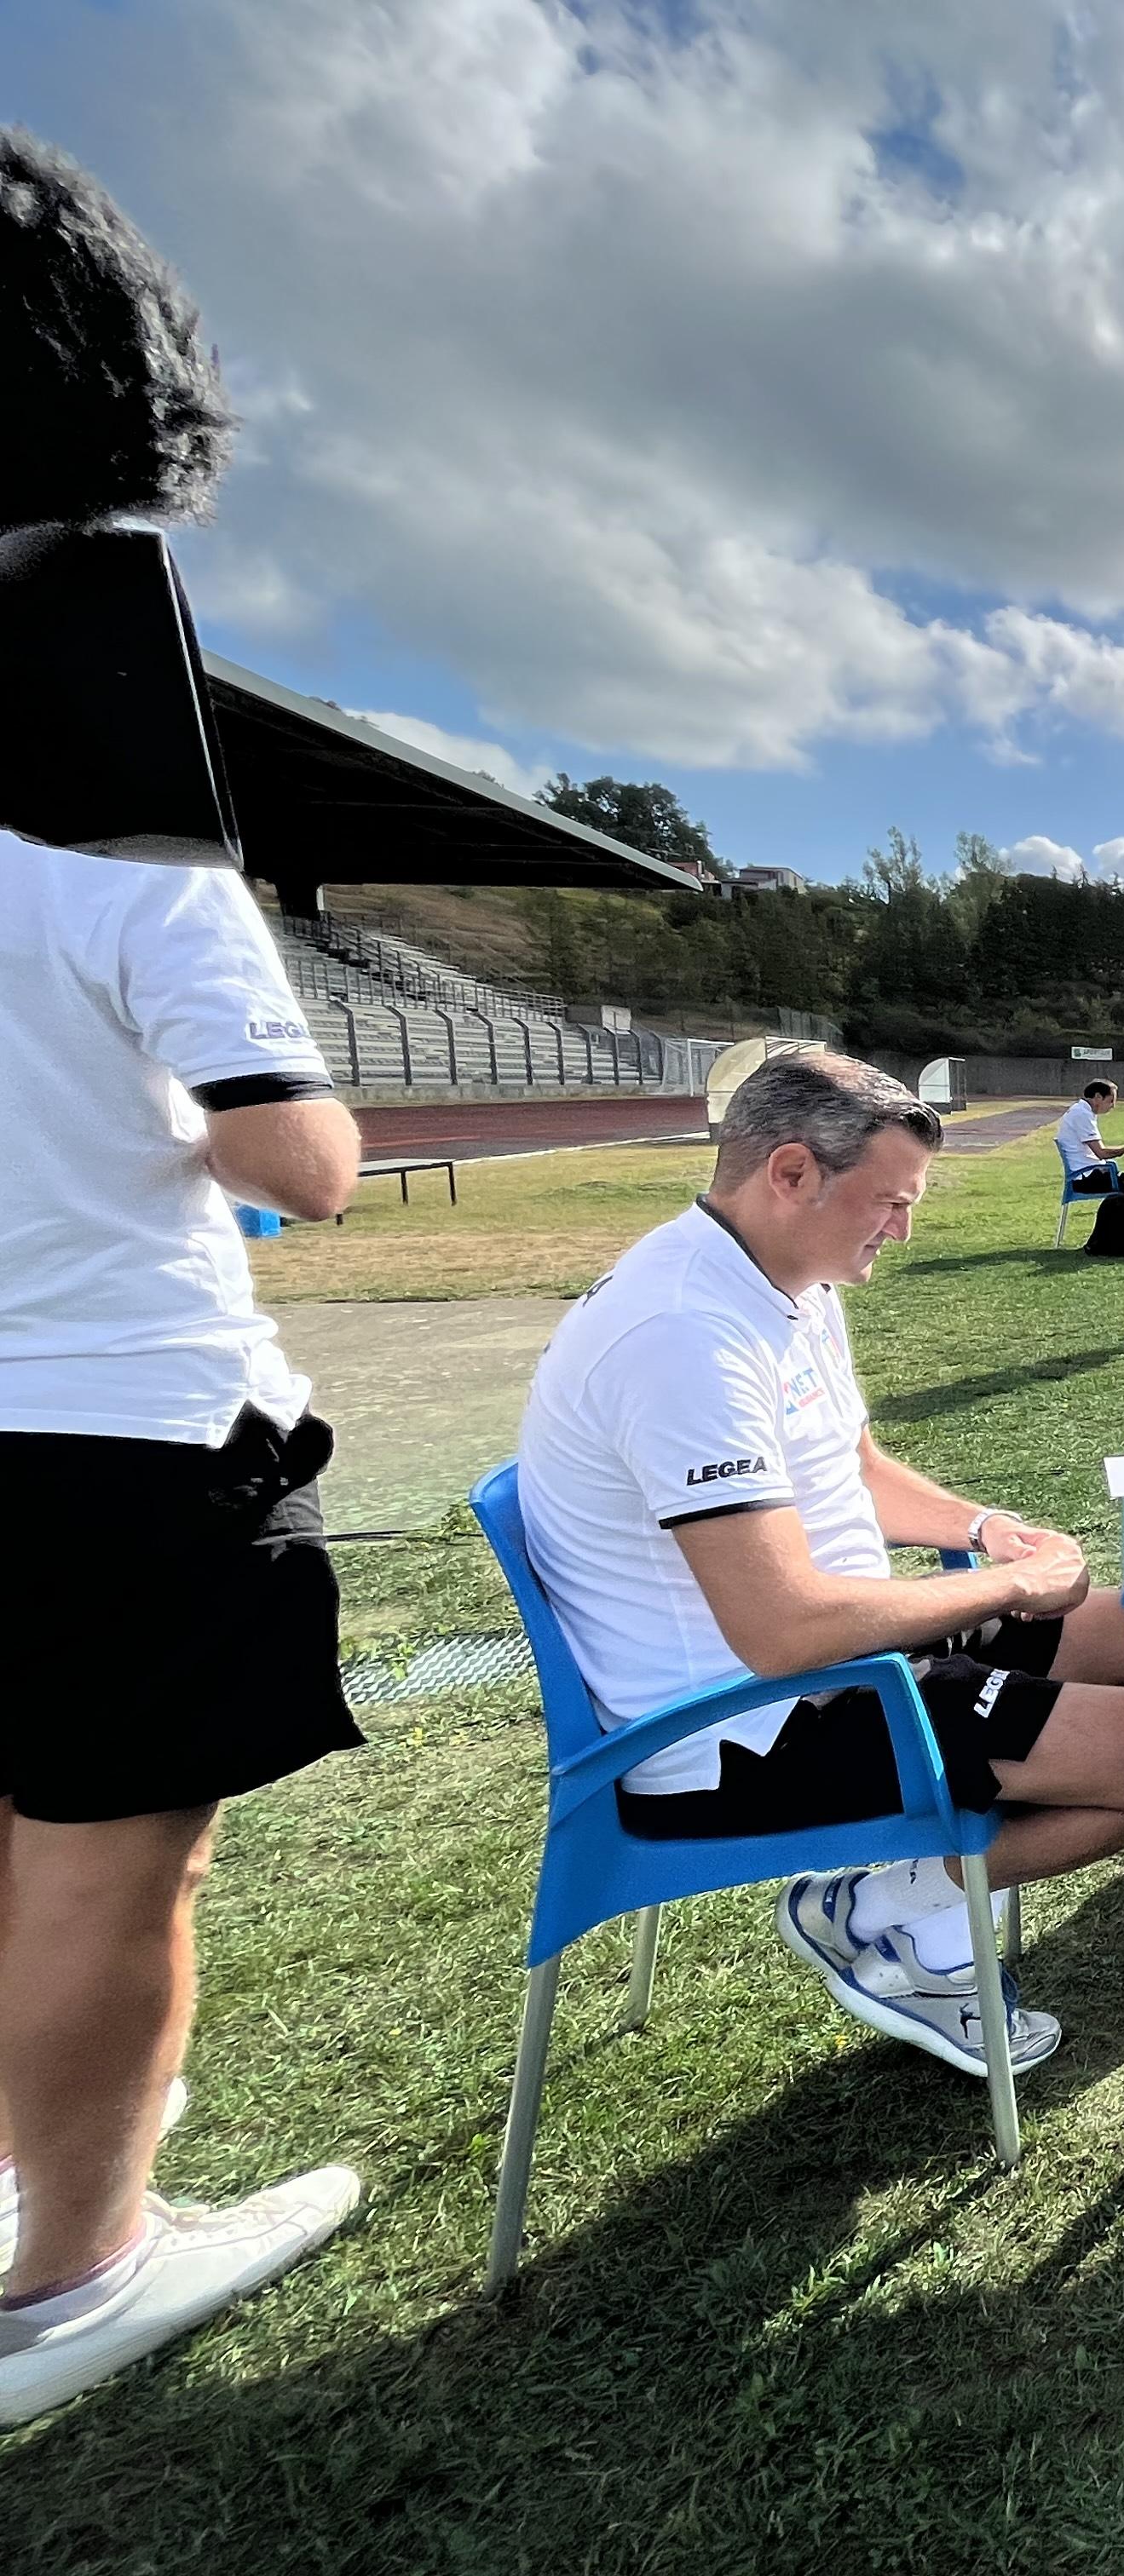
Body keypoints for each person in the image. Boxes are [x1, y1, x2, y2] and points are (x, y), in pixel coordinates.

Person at [0, 127, 367, 2431]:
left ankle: (36, 2191)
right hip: (113, 1422)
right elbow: (298, 1166)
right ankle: (80, 2264)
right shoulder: (123, 853)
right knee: (107, 1868)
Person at [515, 1051, 1124, 2077]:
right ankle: (886, 1908)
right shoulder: (682, 1336)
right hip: (743, 1726)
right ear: (792, 1173)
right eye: (889, 1203)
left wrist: (985, 1528)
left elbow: (852, 1467)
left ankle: (920, 1878)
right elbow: (783, 1632)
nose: (902, 1230)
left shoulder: (785, 1276)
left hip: (842, 1653)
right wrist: (1006, 1587)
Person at [1055, 1078, 1124, 1239]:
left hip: (1093, 1173)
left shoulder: (1081, 1111)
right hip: (1088, 1177)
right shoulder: (1082, 1114)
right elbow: (1101, 1153)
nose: (1113, 1106)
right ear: (1098, 1097)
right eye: (1111, 1101)